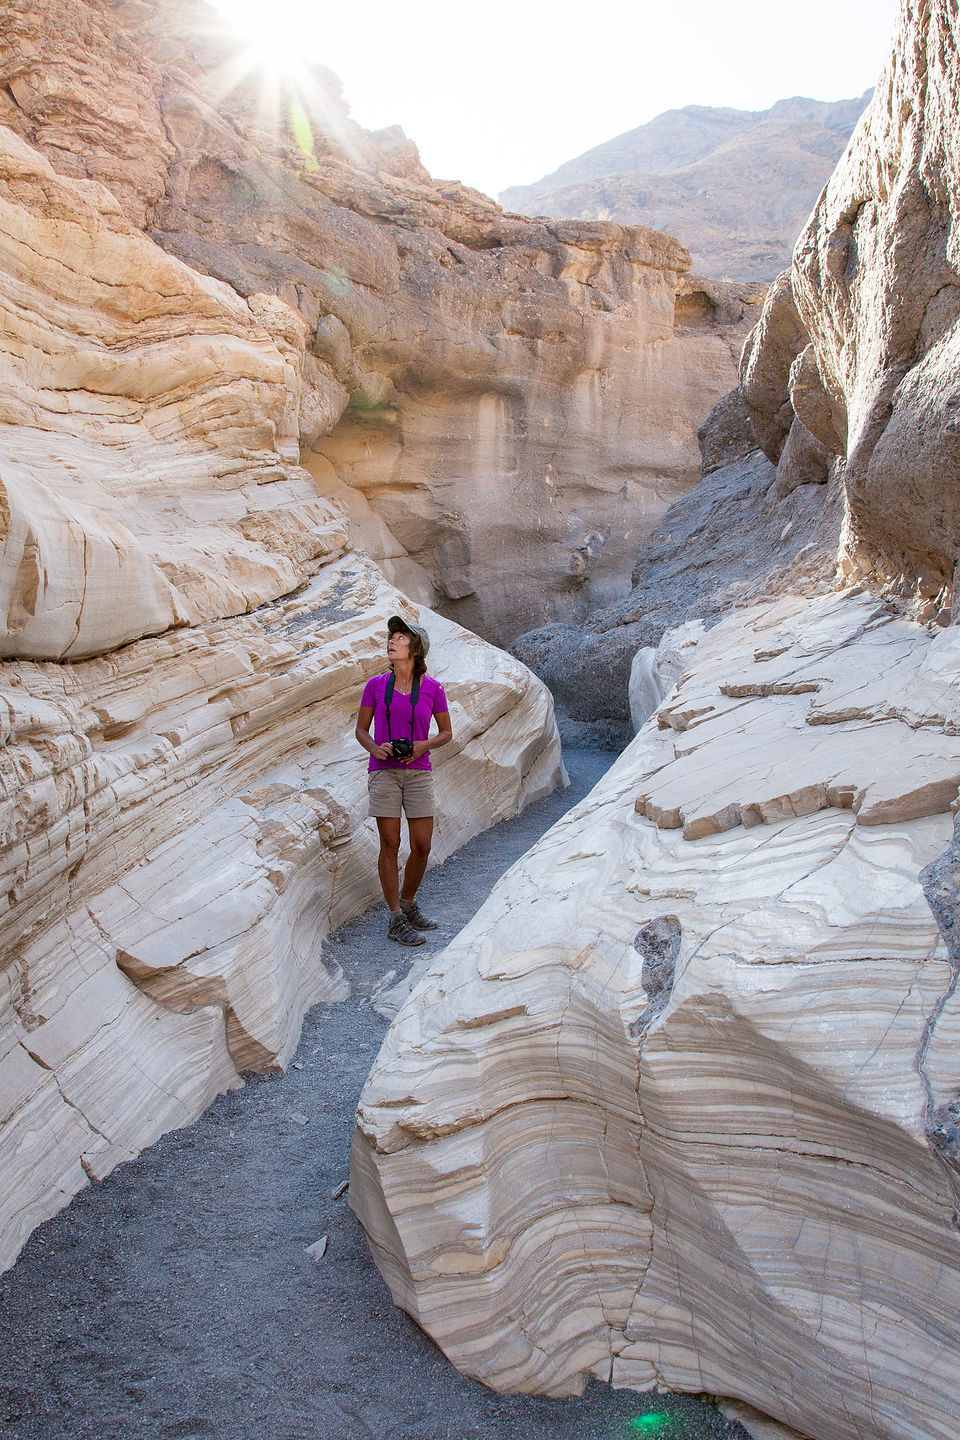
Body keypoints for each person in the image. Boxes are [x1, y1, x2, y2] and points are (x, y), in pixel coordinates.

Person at [355, 616, 453, 946]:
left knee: (422, 845)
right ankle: (396, 917)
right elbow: (361, 730)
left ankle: (409, 904)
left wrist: (423, 744)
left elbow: (446, 733)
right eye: (391, 637)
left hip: (419, 770)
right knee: (390, 843)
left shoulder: (432, 688)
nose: (392, 642)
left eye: (400, 638)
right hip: (383, 771)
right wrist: (375, 747)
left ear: (416, 648)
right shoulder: (374, 686)